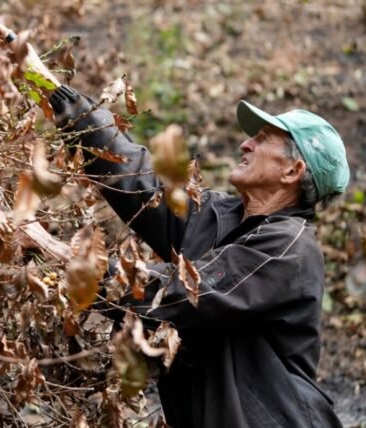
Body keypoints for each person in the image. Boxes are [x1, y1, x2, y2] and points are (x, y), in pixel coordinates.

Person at [48, 85, 348, 428]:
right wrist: (71, 109)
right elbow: (141, 183)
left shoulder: (289, 249)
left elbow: (185, 292)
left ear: (292, 172)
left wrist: (70, 261)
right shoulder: (221, 216)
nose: (245, 143)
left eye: (263, 139)